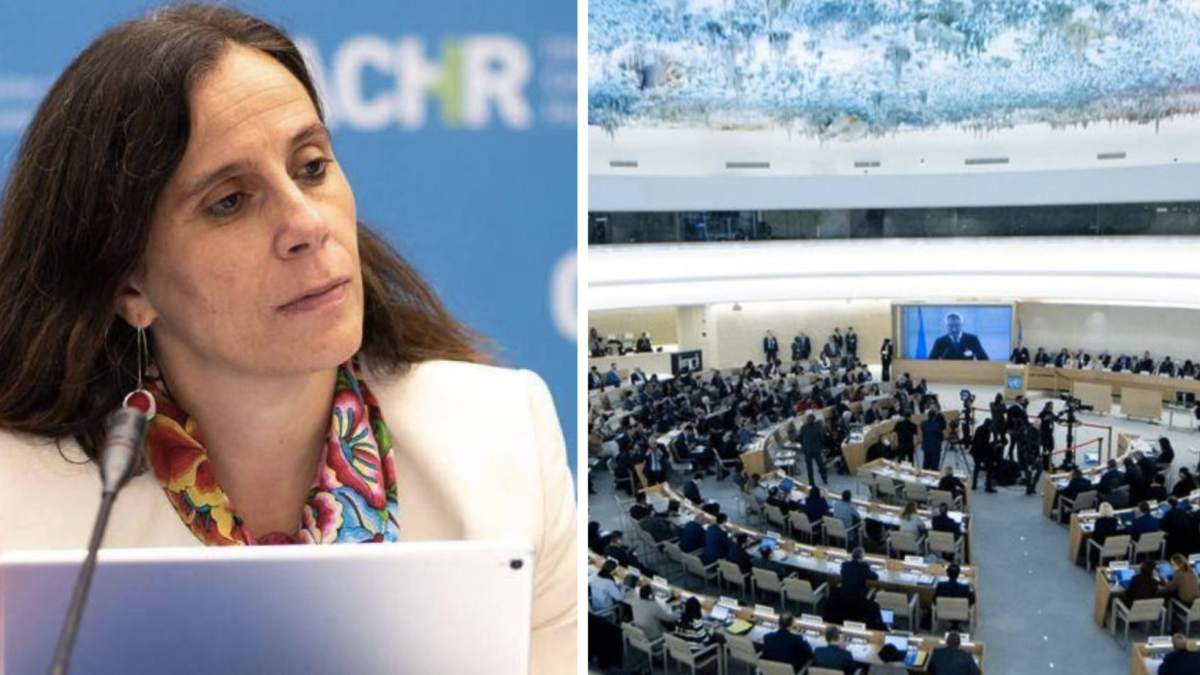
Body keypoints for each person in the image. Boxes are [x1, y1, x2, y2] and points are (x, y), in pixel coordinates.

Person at [0, 10, 580, 671]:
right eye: (229, 201)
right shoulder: (14, 505)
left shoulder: (505, 440)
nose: (307, 224)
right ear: (131, 285)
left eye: (311, 167)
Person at [799, 412, 828, 485]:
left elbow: (800, 438)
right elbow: (821, 438)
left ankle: (811, 482)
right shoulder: (817, 427)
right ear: (814, 420)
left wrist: (803, 447)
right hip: (816, 449)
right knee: (821, 465)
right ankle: (824, 479)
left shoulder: (803, 427)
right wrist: (822, 446)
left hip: (807, 450)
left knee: (809, 467)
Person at [969, 420, 998, 493]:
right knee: (989, 468)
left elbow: (976, 440)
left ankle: (974, 485)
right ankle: (988, 486)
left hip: (975, 451)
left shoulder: (979, 428)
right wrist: (991, 447)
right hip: (982, 452)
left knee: (977, 468)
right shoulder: (987, 431)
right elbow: (985, 443)